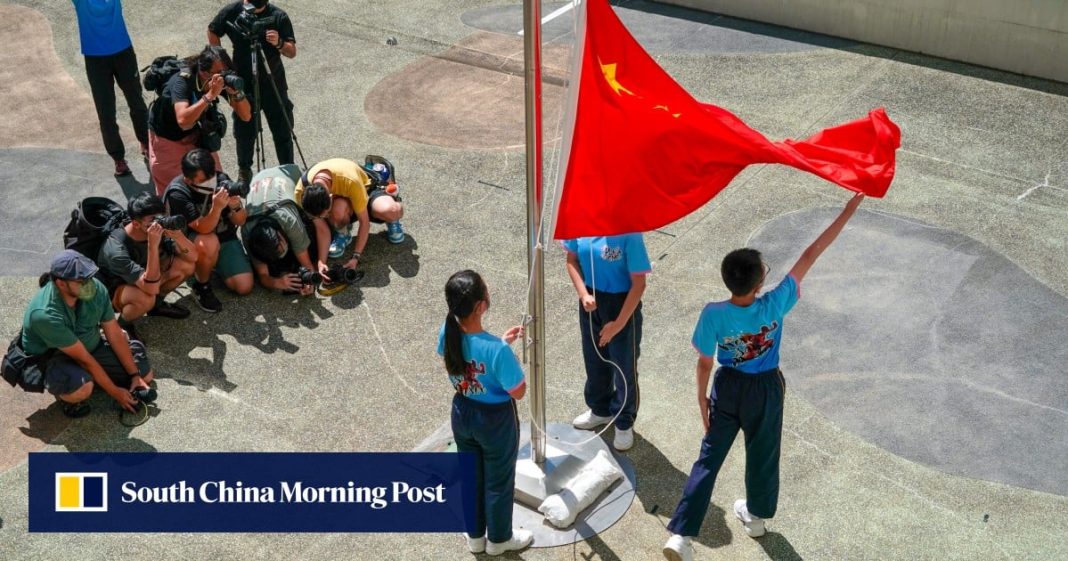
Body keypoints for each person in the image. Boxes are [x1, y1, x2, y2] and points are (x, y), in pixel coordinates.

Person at [662, 193, 865, 561]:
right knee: (763, 453)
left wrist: (701, 400)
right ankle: (755, 518)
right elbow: (810, 254)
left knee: (708, 459)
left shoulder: (713, 313)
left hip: (727, 387)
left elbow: (705, 363)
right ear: (758, 284)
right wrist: (847, 211)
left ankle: (681, 536)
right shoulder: (775, 303)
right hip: (766, 389)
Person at [438, 270, 532, 556]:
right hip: (495, 420)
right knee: (498, 481)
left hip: (462, 410)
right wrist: (505, 350)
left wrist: (500, 344)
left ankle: (476, 536)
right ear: (481, 305)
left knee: (472, 476)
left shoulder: (448, 332)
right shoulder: (497, 350)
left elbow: (461, 362)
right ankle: (500, 538)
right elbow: (518, 391)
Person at [21, 250, 154, 418]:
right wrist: (115, 393)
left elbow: (113, 332)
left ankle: (95, 377)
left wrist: (134, 375)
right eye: (82, 280)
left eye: (90, 277)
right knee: (82, 389)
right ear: (61, 284)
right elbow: (83, 358)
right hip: (54, 355)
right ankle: (67, 391)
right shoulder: (44, 314)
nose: (89, 284)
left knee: (145, 375)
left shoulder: (95, 289)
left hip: (89, 346)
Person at [562, 233, 651, 451]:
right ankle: (600, 409)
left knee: (623, 366)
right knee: (593, 358)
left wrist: (619, 323)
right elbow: (572, 260)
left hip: (621, 303)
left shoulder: (630, 234)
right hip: (591, 302)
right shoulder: (581, 225)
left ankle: (624, 421)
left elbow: (639, 284)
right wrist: (583, 294)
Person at [208, 0, 297, 182]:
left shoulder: (278, 16)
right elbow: (213, 30)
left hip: (274, 85)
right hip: (243, 85)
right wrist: (223, 63)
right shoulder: (232, 11)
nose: (248, 5)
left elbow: (291, 51)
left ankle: (288, 170)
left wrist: (278, 42)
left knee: (282, 131)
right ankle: (244, 172)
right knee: (245, 132)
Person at [147, 45, 251, 195]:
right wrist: (210, 95)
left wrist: (237, 93)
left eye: (227, 72)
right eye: (220, 73)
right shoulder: (181, 82)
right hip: (167, 137)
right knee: (172, 189)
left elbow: (246, 115)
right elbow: (183, 121)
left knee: (215, 180)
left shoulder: (217, 80)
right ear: (204, 72)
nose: (224, 77)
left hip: (196, 134)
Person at [162, 148, 254, 312]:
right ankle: (202, 286)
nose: (211, 182)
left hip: (224, 237)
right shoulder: (178, 193)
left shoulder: (221, 180)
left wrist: (235, 206)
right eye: (203, 180)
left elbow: (241, 221)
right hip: (190, 242)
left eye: (211, 176)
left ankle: (211, 263)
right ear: (188, 179)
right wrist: (217, 208)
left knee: (244, 286)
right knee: (209, 242)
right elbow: (203, 228)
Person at [71, 0, 149, 177]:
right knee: (106, 112)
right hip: (95, 59)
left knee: (136, 102)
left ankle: (146, 142)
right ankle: (118, 158)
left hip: (124, 53)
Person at [293, 158, 406, 278]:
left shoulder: (350, 181)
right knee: (337, 212)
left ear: (330, 197)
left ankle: (392, 200)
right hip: (344, 198)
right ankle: (343, 232)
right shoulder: (301, 193)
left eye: (326, 214)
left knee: (391, 211)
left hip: (365, 188)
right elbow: (322, 229)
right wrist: (321, 262)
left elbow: (365, 223)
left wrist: (355, 257)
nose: (326, 218)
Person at [97, 192, 198, 323]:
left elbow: (193, 257)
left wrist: (178, 236)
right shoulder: (116, 249)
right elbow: (151, 288)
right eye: (153, 220)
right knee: (146, 298)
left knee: (185, 266)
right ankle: (123, 324)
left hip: (146, 277)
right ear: (136, 224)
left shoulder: (154, 229)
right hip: (118, 289)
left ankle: (156, 306)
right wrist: (153, 245)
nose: (159, 222)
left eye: (162, 216)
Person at [241, 164, 331, 295]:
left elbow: (307, 263)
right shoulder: (247, 231)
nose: (280, 254)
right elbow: (263, 275)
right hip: (258, 178)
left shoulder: (288, 219)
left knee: (317, 212)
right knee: (276, 268)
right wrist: (277, 283)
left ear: (280, 234)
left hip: (293, 173)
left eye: (280, 249)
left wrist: (309, 282)